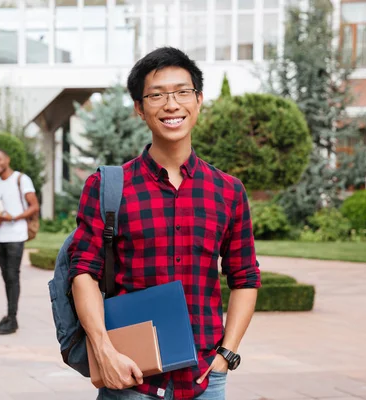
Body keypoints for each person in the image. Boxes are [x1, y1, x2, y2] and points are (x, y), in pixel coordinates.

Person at [68, 47, 261, 400]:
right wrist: (104, 351)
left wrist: (227, 353)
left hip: (205, 379)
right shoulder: (109, 187)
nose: (171, 105)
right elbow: (83, 273)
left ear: (199, 100)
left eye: (182, 92)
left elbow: (245, 276)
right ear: (140, 108)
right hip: (131, 376)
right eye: (156, 95)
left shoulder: (228, 191)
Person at [0, 149, 40, 335]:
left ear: (7, 159)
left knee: (13, 276)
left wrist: (14, 217)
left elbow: (34, 206)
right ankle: (9, 316)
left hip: (16, 236)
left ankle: (13, 319)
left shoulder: (21, 179)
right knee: (6, 277)